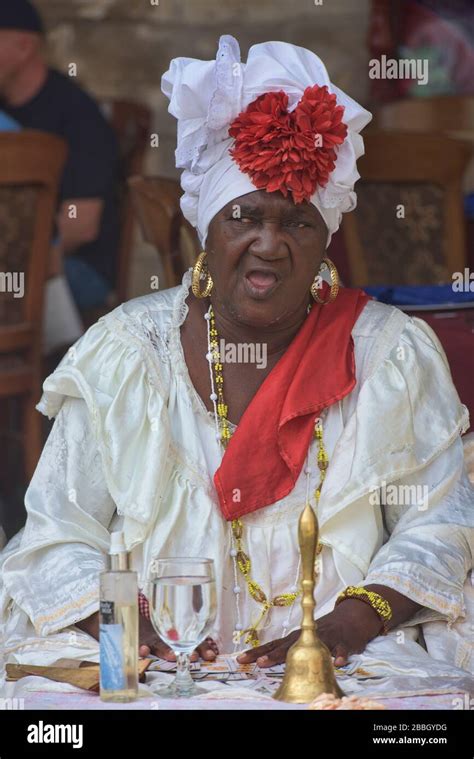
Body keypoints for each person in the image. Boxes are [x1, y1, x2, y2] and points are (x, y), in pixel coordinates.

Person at [0, 35, 472, 696]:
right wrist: (133, 636)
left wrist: (338, 628)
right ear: (204, 228)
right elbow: (58, 535)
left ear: (324, 236)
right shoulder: (129, 354)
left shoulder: (389, 354)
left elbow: (441, 526)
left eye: (299, 223)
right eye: (243, 216)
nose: (269, 245)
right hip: (160, 673)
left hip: (344, 667)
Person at [0, 0, 120, 311]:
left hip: (77, 268)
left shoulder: (77, 115)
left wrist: (11, 256)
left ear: (24, 46)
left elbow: (82, 225)